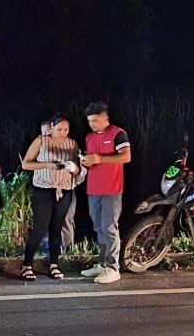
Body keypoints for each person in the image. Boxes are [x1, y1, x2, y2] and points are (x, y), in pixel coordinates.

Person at [19, 114, 84, 281]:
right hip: (43, 189)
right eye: (60, 129)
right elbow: (26, 164)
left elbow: (78, 170)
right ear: (52, 127)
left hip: (64, 189)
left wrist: (74, 168)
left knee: (57, 228)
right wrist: (48, 165)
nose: (63, 133)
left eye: (66, 130)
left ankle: (54, 264)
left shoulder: (72, 143)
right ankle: (26, 265)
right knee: (40, 228)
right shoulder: (41, 140)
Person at [80, 101, 131, 284]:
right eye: (89, 121)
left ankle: (113, 268)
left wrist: (100, 158)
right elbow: (92, 160)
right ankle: (102, 264)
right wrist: (86, 161)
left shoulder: (118, 133)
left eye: (95, 120)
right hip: (93, 189)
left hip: (112, 189)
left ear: (105, 118)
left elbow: (126, 157)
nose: (92, 124)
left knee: (109, 228)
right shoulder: (89, 137)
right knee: (98, 227)